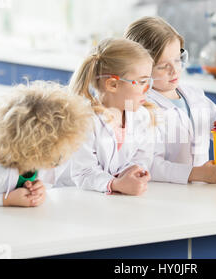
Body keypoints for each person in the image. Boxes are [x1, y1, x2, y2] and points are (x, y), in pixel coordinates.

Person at [125, 16, 216, 185]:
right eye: (163, 66)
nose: (175, 70)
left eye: (178, 60)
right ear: (139, 68)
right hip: (164, 196)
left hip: (199, 194)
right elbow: (148, 165)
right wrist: (197, 174)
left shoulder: (194, 95)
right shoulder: (140, 107)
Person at [59, 38, 155, 195]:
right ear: (113, 85)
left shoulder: (141, 116)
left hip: (110, 200)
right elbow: (84, 173)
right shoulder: (85, 121)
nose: (148, 89)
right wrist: (116, 183)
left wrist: (134, 172)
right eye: (142, 82)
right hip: (74, 197)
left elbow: (142, 158)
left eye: (149, 81)